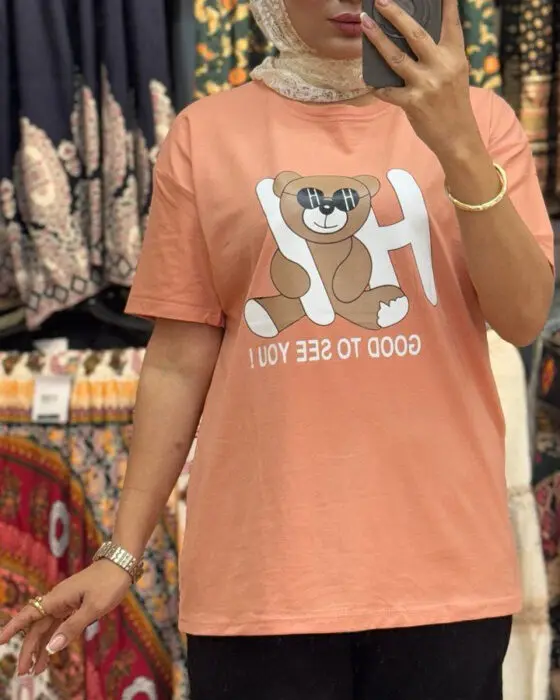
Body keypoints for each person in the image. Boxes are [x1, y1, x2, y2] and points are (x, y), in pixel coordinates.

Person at [0, 0, 554, 698]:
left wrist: (458, 144)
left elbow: (523, 316)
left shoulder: (484, 121)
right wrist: (121, 552)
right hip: (261, 579)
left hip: (444, 574)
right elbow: (177, 362)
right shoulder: (206, 133)